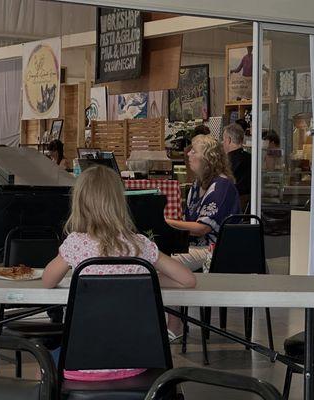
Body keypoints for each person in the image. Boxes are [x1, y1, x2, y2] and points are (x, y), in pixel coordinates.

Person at [42, 165, 196, 381]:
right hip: (135, 362)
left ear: (79, 203)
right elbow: (188, 280)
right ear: (119, 203)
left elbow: (48, 281)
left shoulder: (75, 244)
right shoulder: (139, 245)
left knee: (46, 362)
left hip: (79, 362)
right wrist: (144, 278)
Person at [166, 134, 241, 272]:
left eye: (194, 151)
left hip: (213, 248)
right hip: (196, 246)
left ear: (207, 159)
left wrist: (166, 223)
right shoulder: (198, 184)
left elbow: (202, 228)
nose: (188, 153)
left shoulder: (221, 186)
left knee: (163, 263)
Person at [222, 123, 251, 210]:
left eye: (223, 140)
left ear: (229, 140)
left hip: (230, 207)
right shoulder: (251, 158)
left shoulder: (225, 162)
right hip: (248, 207)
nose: (223, 143)